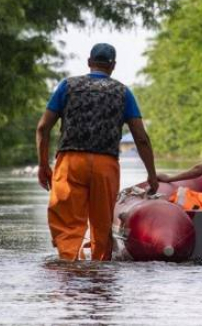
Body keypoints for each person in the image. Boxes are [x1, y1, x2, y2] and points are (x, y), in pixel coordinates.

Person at [36, 43, 159, 261]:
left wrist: (43, 164)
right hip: (105, 163)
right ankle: (99, 277)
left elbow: (43, 128)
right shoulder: (123, 92)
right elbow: (141, 137)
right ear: (112, 66)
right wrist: (151, 174)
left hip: (70, 161)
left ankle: (68, 270)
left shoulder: (67, 86)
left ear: (89, 62)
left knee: (67, 225)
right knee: (102, 226)